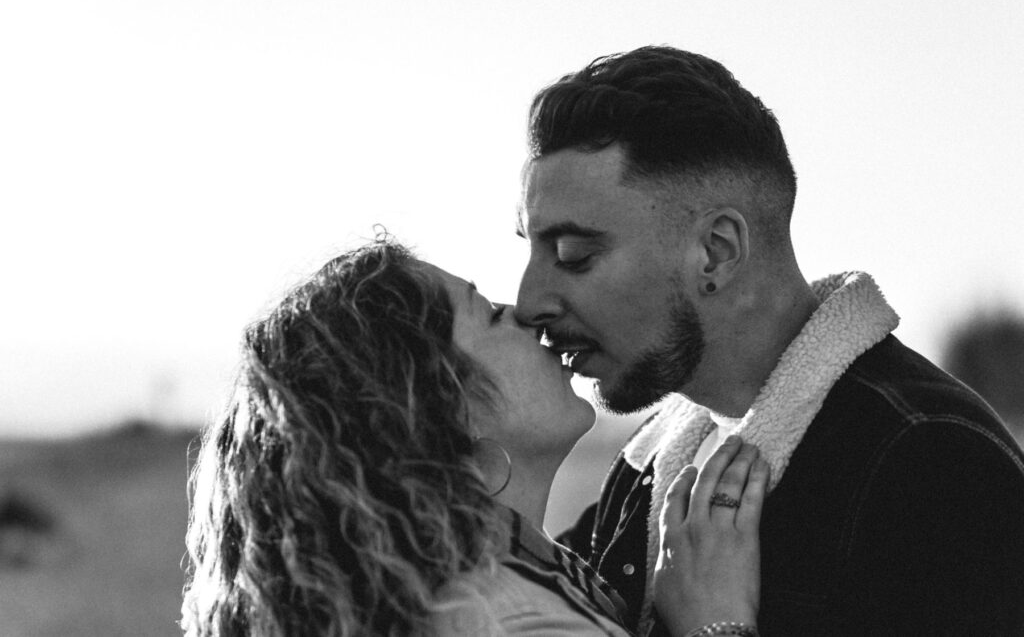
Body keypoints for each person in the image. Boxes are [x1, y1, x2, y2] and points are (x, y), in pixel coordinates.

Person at [514, 45, 1024, 636]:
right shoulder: (646, 467)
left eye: (574, 254)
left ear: (716, 251)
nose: (530, 301)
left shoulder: (929, 463)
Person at [180, 238, 768, 636]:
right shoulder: (509, 622)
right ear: (437, 409)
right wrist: (715, 625)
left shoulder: (489, 592)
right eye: (488, 315)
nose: (528, 316)